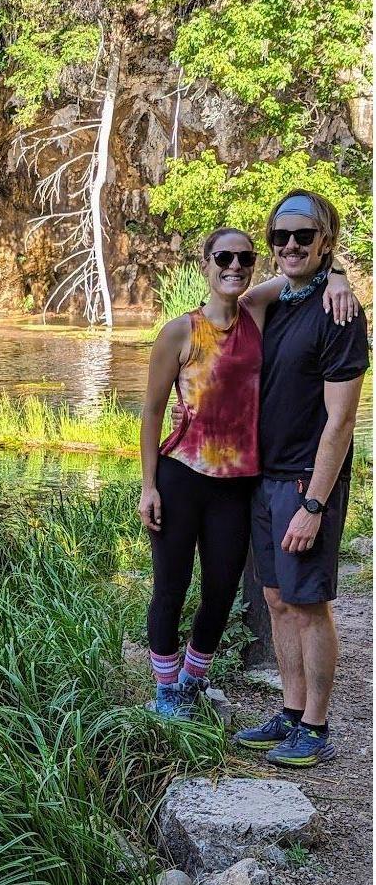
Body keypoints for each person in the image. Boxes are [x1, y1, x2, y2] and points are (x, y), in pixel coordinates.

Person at [138, 225, 356, 720]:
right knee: (170, 588)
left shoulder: (256, 313)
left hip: (237, 485)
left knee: (221, 590)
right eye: (223, 258)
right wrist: (149, 485)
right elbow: (152, 411)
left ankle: (195, 677)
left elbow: (301, 270)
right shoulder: (180, 330)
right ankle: (167, 690)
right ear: (205, 264)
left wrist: (339, 275)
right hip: (180, 476)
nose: (234, 267)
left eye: (244, 259)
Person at [233, 191, 369, 767]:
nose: (290, 246)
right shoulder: (283, 299)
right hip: (265, 479)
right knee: (274, 598)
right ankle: (290, 712)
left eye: (304, 238)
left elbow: (340, 422)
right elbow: (242, 291)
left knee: (308, 603)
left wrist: (313, 505)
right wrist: (331, 270)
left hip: (303, 484)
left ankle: (316, 726)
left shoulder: (341, 315)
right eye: (279, 238)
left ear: (325, 241)